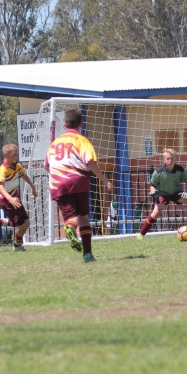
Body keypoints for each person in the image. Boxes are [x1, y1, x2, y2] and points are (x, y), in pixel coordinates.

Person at [45, 109, 113, 262]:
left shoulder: (54, 143)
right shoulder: (82, 140)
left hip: (58, 183)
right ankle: (87, 254)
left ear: (64, 124)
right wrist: (104, 180)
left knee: (70, 217)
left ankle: (69, 227)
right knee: (83, 217)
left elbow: (46, 165)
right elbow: (89, 161)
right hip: (78, 180)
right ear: (81, 124)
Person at [137, 148, 187, 239]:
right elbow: (152, 185)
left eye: (172, 158)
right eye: (168, 158)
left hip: (177, 192)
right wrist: (153, 190)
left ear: (175, 159)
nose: (170, 160)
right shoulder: (158, 172)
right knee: (156, 212)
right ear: (164, 160)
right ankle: (141, 234)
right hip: (163, 193)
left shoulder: (180, 170)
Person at [0, 143, 38, 252]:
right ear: (6, 154)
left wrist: (32, 187)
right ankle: (16, 246)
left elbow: (23, 175)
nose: (17, 156)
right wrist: (10, 199)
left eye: (17, 154)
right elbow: (0, 188)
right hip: (7, 201)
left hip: (15, 199)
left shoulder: (17, 166)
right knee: (22, 226)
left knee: (26, 224)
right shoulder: (2, 170)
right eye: (14, 154)